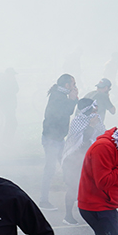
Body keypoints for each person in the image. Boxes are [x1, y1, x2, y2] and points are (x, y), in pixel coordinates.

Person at [60, 98, 103, 225]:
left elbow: (101, 135)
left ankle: (92, 214)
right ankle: (68, 216)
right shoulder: (78, 122)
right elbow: (82, 144)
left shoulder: (94, 119)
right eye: (93, 106)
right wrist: (91, 126)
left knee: (90, 187)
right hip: (73, 161)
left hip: (86, 160)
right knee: (73, 188)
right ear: (87, 109)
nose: (96, 108)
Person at [39, 74, 77, 209]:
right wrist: (73, 100)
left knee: (67, 165)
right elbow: (66, 112)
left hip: (58, 138)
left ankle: (75, 194)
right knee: (50, 169)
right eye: (73, 84)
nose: (75, 86)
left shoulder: (59, 95)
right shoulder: (58, 98)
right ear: (66, 85)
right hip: (52, 139)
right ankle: (43, 201)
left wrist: (72, 99)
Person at [0, 68, 19, 137]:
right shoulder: (2, 83)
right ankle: (7, 138)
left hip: (11, 105)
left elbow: (17, 89)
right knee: (12, 123)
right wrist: (12, 83)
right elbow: (8, 93)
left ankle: (7, 138)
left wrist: (13, 82)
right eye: (12, 74)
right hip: (6, 106)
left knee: (9, 122)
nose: (13, 76)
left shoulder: (10, 81)